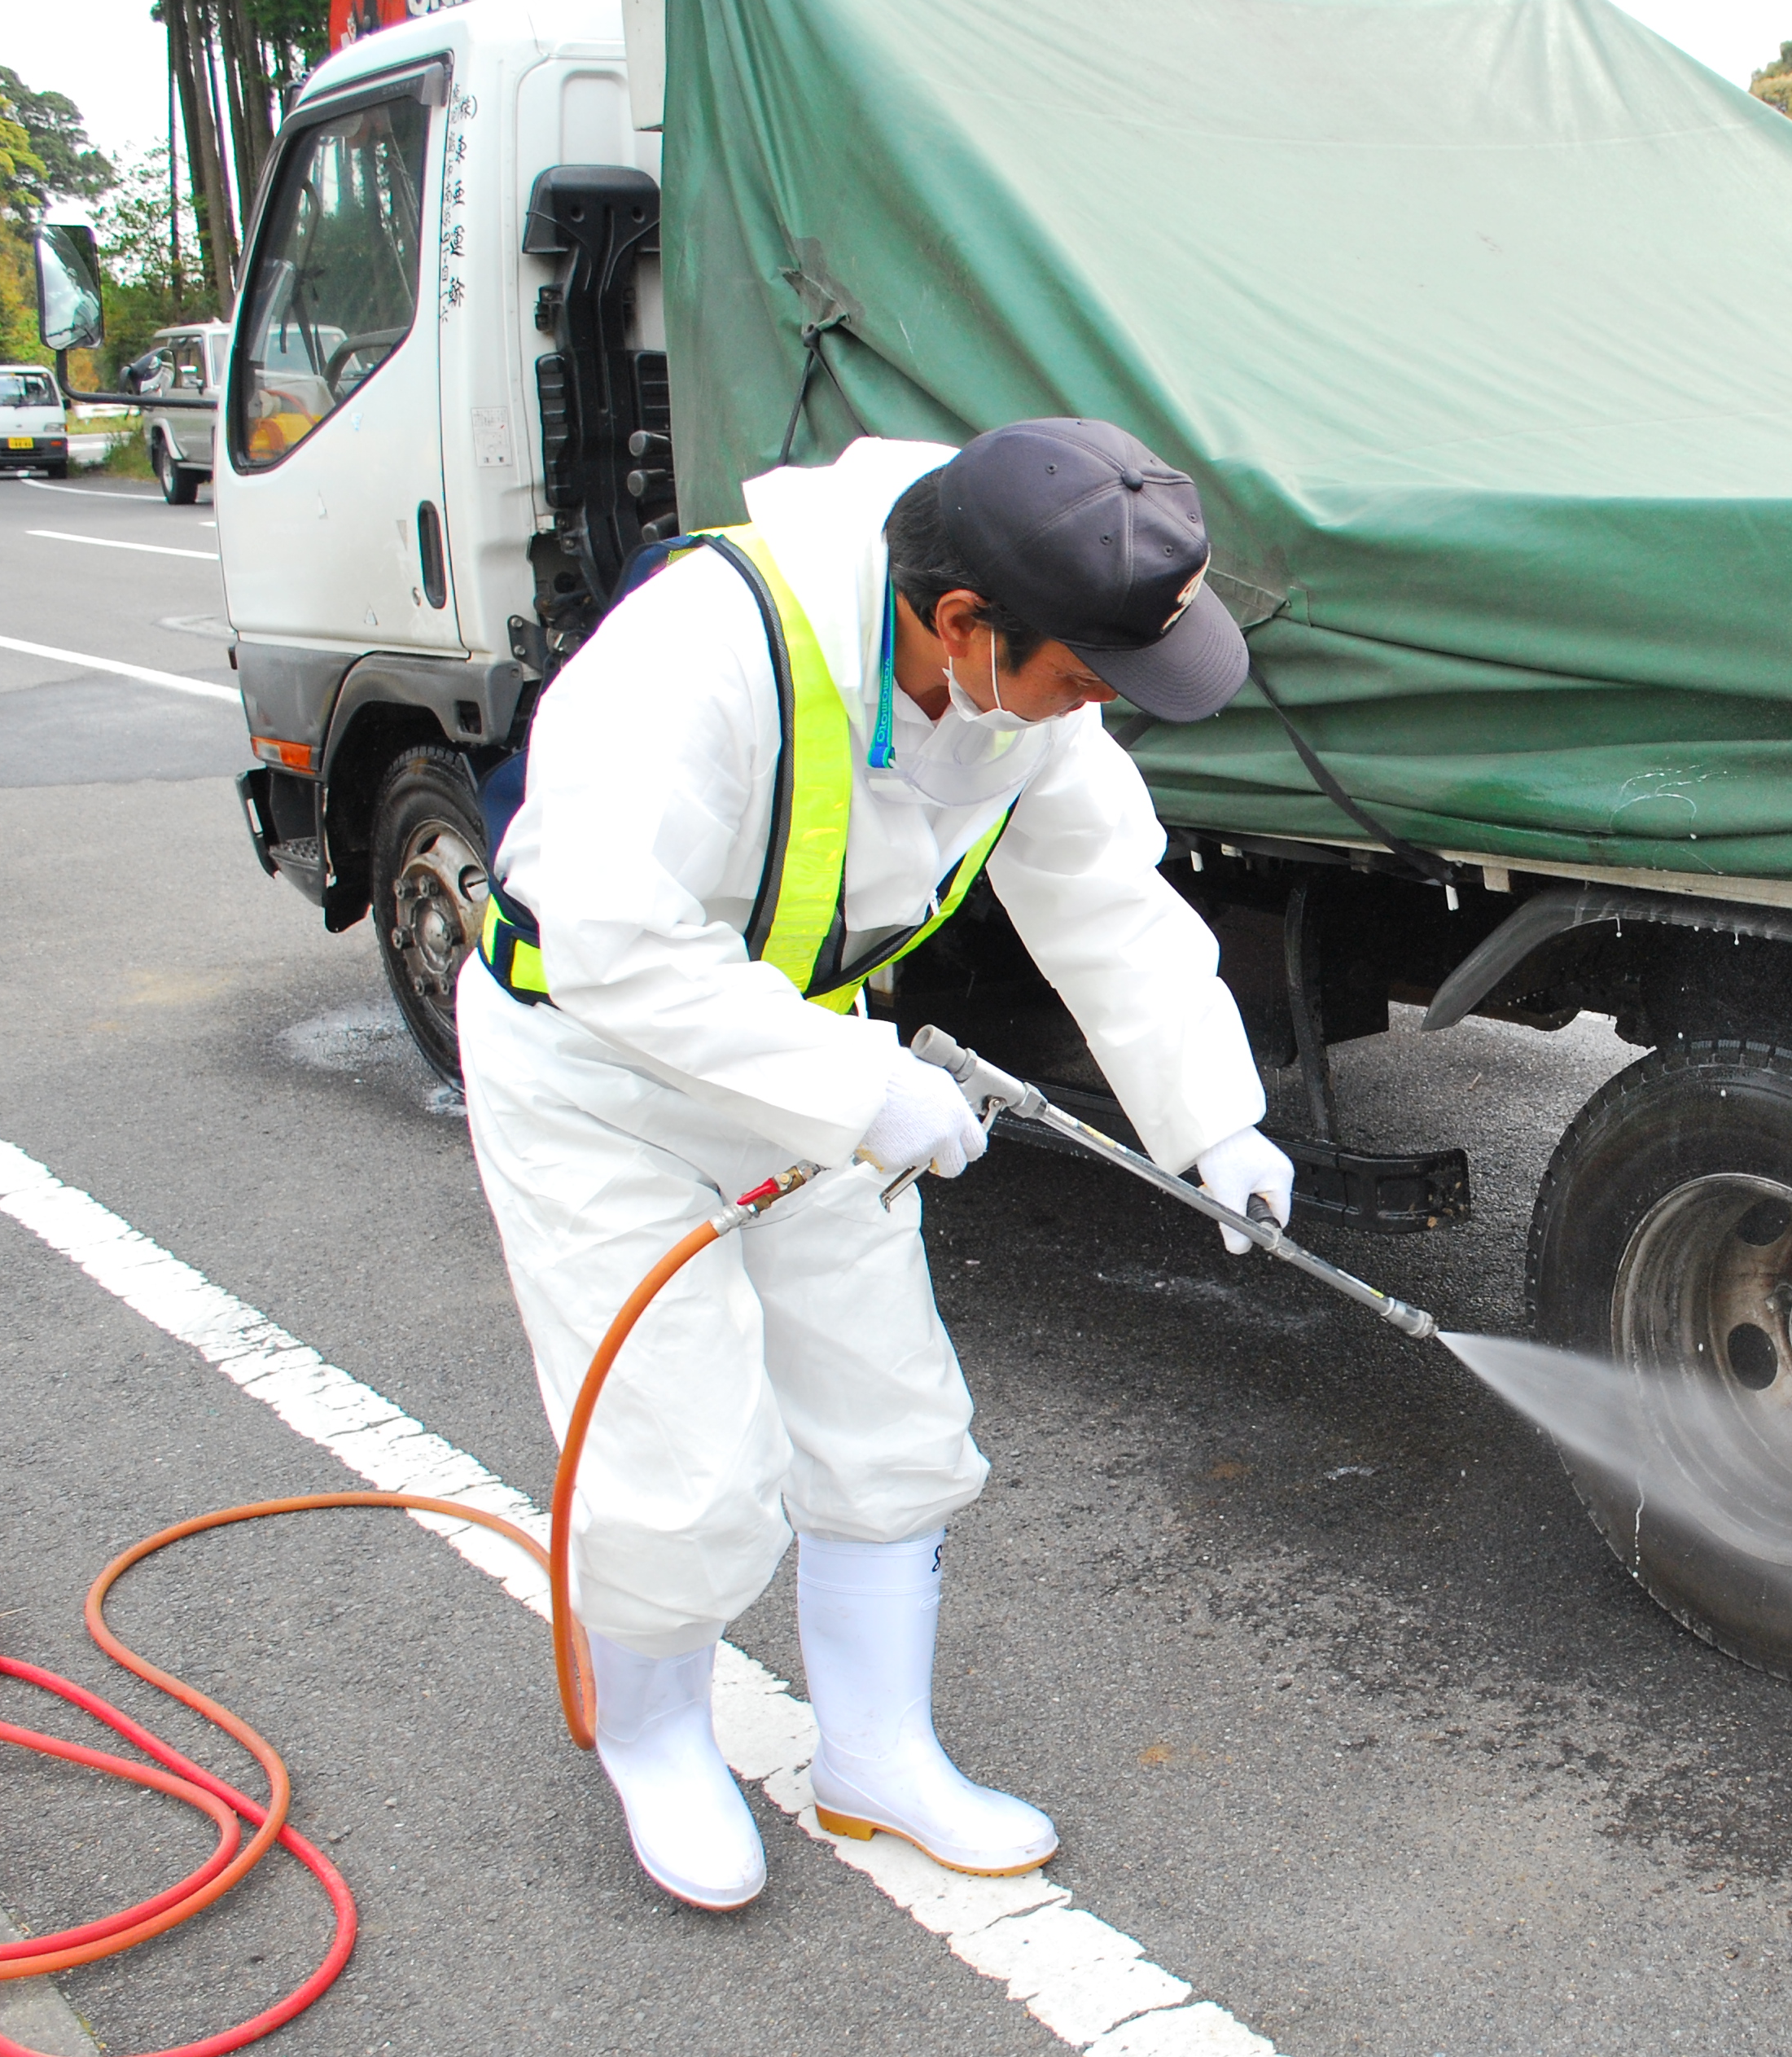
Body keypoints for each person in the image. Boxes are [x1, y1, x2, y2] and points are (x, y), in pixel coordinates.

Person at [459, 419, 1295, 1910]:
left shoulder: (1018, 685)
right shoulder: (702, 653)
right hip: (601, 1071)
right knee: (683, 1469)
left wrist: (1214, 1121)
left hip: (805, 1056)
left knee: (892, 1422)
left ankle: (875, 1756)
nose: (1097, 704)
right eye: (1085, 673)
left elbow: (1103, 886)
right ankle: (654, 1741)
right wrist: (855, 1085)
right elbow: (600, 934)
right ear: (963, 622)